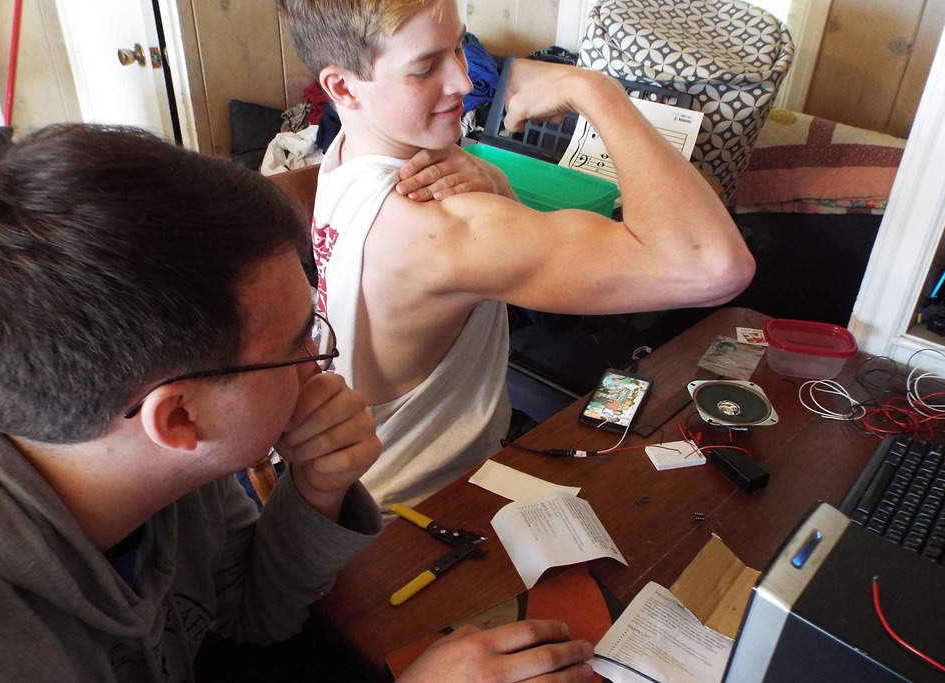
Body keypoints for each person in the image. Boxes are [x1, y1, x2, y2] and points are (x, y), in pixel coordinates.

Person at [0, 123, 594, 682]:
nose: (319, 362)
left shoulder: (170, 467)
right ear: (178, 419)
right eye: (297, 344)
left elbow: (246, 613)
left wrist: (316, 489)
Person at [278, 0, 757, 511]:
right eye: (425, 67)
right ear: (343, 87)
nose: (463, 82)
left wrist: (494, 181)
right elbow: (713, 265)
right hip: (415, 511)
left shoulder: (349, 152)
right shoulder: (440, 227)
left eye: (458, 48)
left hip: (360, 484)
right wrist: (598, 92)